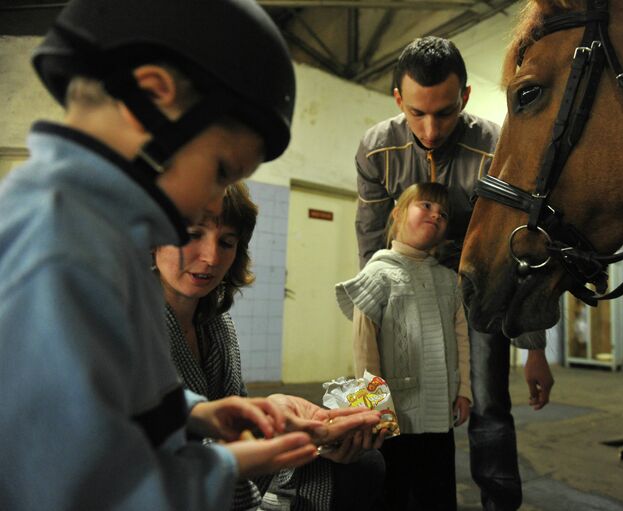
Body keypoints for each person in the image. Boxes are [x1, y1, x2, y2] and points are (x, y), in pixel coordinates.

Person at [0, 1, 379, 509]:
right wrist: (232, 464)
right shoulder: (60, 253)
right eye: (221, 170)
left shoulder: (95, 234)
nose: (208, 205)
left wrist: (197, 414)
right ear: (153, 98)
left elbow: (114, 400)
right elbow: (84, 493)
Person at [354, 35, 554, 510]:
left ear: (464, 96)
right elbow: (370, 242)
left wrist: (535, 348)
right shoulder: (376, 150)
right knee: (398, 408)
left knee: (488, 407)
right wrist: (372, 317)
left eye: (444, 112)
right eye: (416, 113)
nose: (429, 128)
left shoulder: (497, 147)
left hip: (478, 299)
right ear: (398, 98)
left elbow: (522, 248)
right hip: (404, 300)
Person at [155, 182, 384, 511]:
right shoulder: (129, 326)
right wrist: (279, 435)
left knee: (361, 464)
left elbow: (232, 416)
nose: (210, 257)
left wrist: (291, 424)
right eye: (192, 234)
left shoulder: (217, 324)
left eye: (227, 242)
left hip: (220, 462)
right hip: (166, 484)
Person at [337, 182, 471, 511]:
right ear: (397, 213)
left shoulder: (448, 280)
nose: (435, 214)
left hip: (440, 414)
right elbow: (364, 349)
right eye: (425, 205)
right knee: (395, 493)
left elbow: (462, 338)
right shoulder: (377, 274)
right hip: (395, 419)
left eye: (443, 213)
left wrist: (465, 389)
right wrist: (374, 410)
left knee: (437, 493)